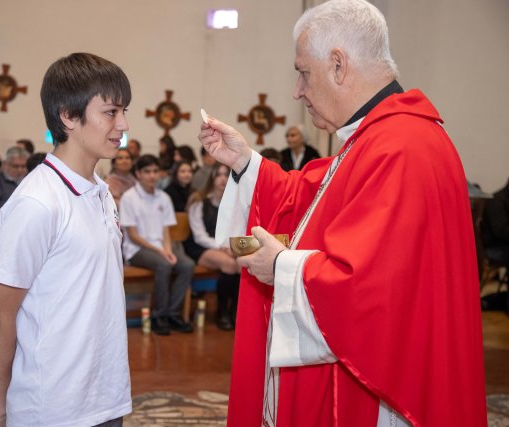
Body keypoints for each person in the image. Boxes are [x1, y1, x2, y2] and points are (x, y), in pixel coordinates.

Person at [198, 1, 486, 426]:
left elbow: (371, 290)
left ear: (338, 65)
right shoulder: (381, 136)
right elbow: (310, 195)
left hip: (384, 393)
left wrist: (280, 267)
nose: (297, 91)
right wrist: (244, 162)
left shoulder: (401, 147)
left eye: (303, 72)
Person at [0, 52, 133, 427]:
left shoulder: (101, 191)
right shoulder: (37, 202)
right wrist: (0, 409)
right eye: (111, 112)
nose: (123, 125)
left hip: (105, 395)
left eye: (123, 111)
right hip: (52, 406)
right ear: (68, 115)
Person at [120, 154, 195, 336]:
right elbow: (133, 235)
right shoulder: (129, 197)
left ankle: (173, 313)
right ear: (138, 174)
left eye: (155, 171)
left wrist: (167, 250)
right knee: (164, 265)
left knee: (187, 265)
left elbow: (166, 230)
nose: (152, 176)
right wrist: (161, 252)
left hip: (161, 247)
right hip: (137, 249)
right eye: (147, 171)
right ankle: (158, 316)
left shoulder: (163, 197)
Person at [183, 163, 240, 330]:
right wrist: (224, 247)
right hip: (200, 246)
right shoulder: (199, 201)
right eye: (218, 175)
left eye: (226, 175)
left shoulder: (234, 203)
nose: (222, 179)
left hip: (226, 247)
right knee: (230, 264)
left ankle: (235, 311)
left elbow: (236, 229)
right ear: (212, 178)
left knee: (241, 264)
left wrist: (231, 247)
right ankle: (222, 312)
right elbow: (199, 236)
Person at [0, 146, 29, 213]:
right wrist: (14, 204)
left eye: (23, 166)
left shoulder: (29, 181)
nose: (20, 170)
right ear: (5, 164)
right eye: (15, 166)